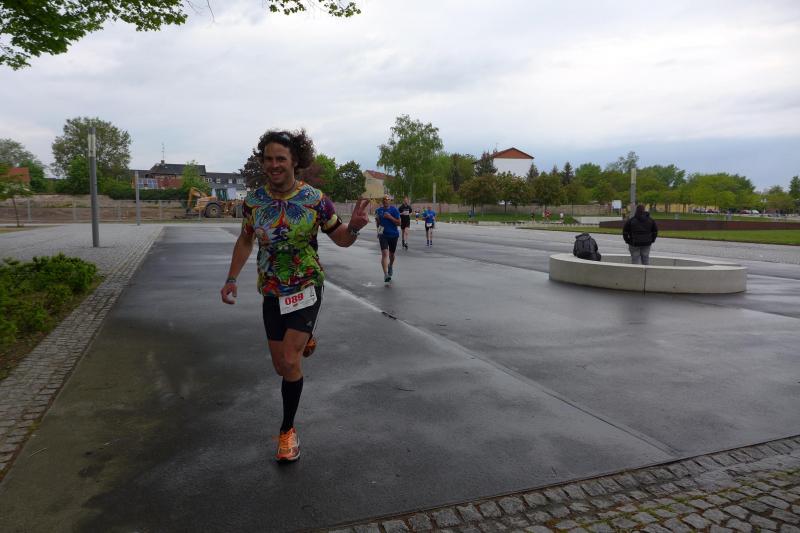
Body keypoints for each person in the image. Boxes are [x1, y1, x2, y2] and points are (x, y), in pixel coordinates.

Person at [220, 129, 369, 463]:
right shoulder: (254, 202)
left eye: (280, 159)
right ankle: (305, 338)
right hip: (271, 291)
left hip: (306, 288)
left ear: (294, 161)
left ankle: (287, 431)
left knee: (289, 360)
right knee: (280, 366)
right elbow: (245, 240)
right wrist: (231, 278)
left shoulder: (315, 200)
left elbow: (341, 239)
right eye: (268, 159)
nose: (273, 165)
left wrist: (355, 227)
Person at [375, 195, 401, 282]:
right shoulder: (378, 211)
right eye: (384, 200)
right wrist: (378, 231)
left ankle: (390, 265)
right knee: (384, 253)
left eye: (387, 200)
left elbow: (399, 223)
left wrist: (390, 217)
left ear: (390, 201)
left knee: (391, 255)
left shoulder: (394, 210)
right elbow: (378, 223)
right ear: (382, 202)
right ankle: (386, 274)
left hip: (393, 235)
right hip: (383, 235)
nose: (385, 201)